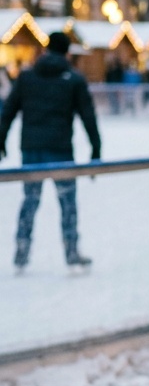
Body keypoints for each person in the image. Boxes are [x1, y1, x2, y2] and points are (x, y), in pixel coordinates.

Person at [0, 31, 101, 269]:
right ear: (67, 52)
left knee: (30, 199)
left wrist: (1, 140)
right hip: (60, 151)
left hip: (32, 150)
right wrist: (96, 149)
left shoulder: (27, 77)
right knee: (67, 202)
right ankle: (71, 250)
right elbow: (88, 116)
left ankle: (22, 249)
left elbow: (9, 111)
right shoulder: (73, 79)